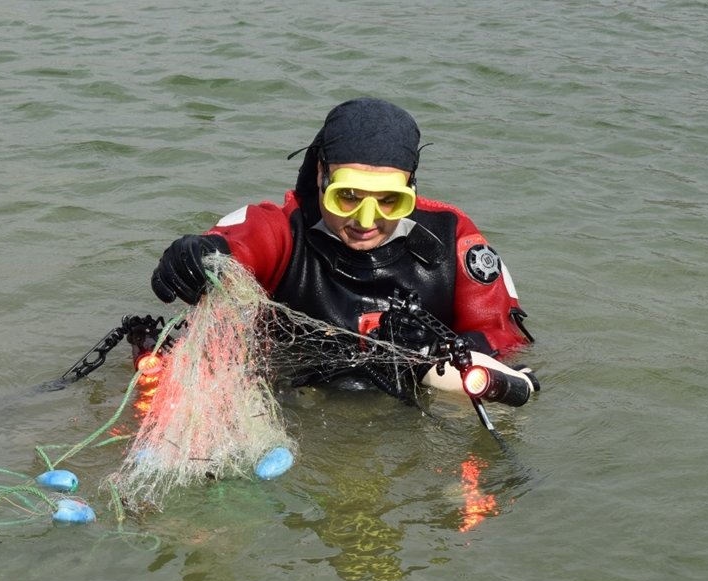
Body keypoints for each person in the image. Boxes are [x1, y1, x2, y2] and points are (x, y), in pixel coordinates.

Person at [150, 97, 537, 400]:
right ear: (321, 176)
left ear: (411, 187)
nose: (366, 221)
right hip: (294, 395)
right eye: (348, 197)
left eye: (388, 200)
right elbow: (241, 244)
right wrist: (199, 254)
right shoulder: (284, 230)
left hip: (414, 398)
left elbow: (504, 337)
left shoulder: (452, 239)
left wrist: (435, 350)